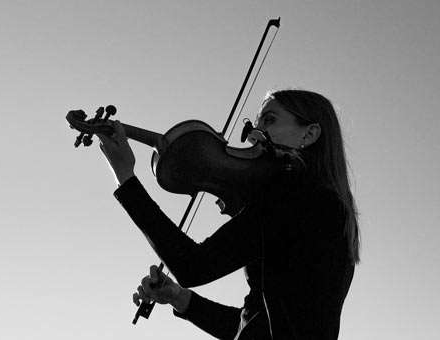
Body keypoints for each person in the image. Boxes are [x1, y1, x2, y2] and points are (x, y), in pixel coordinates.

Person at [95, 89, 360, 339]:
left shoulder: (298, 198)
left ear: (309, 134)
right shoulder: (325, 205)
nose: (254, 134)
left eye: (269, 120)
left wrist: (126, 178)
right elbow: (252, 327)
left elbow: (192, 266)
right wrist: (180, 297)